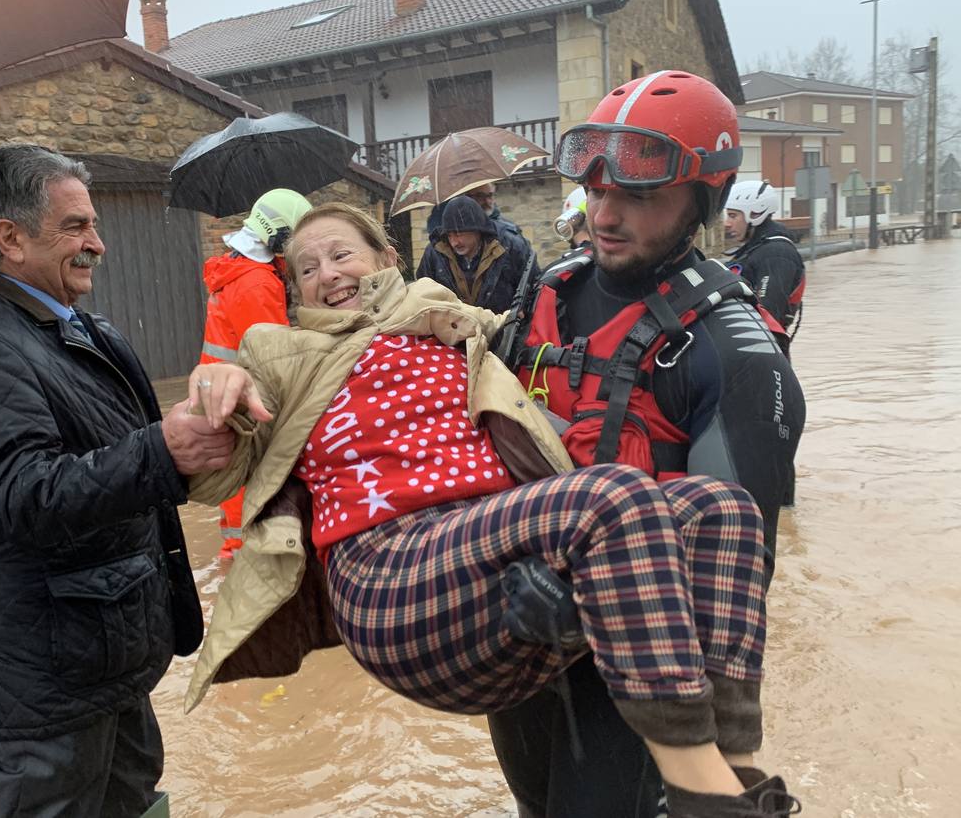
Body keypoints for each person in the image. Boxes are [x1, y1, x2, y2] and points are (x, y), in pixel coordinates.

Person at [184, 201, 800, 818]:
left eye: (341, 253)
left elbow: (555, 339)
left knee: (721, 509)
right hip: (387, 573)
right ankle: (710, 800)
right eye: (306, 269)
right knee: (616, 495)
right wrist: (215, 396)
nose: (327, 274)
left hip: (489, 556)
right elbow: (219, 469)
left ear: (386, 258)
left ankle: (737, 763)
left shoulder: (456, 323)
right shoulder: (279, 350)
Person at [492, 70, 807, 818]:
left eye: (636, 195)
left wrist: (586, 604)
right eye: (596, 190)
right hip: (521, 643)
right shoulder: (548, 294)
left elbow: (735, 582)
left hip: (636, 681)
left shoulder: (732, 353)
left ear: (703, 200)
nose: (604, 213)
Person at [0, 144, 232, 817]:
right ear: (11, 238)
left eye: (92, 224)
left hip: (107, 651)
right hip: (48, 678)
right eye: (76, 227)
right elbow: (20, 497)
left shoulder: (82, 330)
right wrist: (162, 451)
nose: (99, 243)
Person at [200, 188, 312, 560]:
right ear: (279, 237)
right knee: (252, 477)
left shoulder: (237, 268)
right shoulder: (257, 281)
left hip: (221, 389)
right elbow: (271, 352)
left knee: (234, 475)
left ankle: (236, 549)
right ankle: (243, 554)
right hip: (246, 395)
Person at [415, 195, 538, 314]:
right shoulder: (434, 253)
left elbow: (535, 287)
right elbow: (422, 295)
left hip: (506, 331)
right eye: (449, 235)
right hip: (453, 332)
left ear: (477, 230)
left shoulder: (510, 246)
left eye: (459, 234)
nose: (454, 242)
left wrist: (523, 313)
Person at [723, 180, 806, 336]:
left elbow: (768, 313)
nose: (727, 223)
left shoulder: (776, 255)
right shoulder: (754, 250)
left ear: (755, 215)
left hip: (756, 351)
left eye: (733, 216)